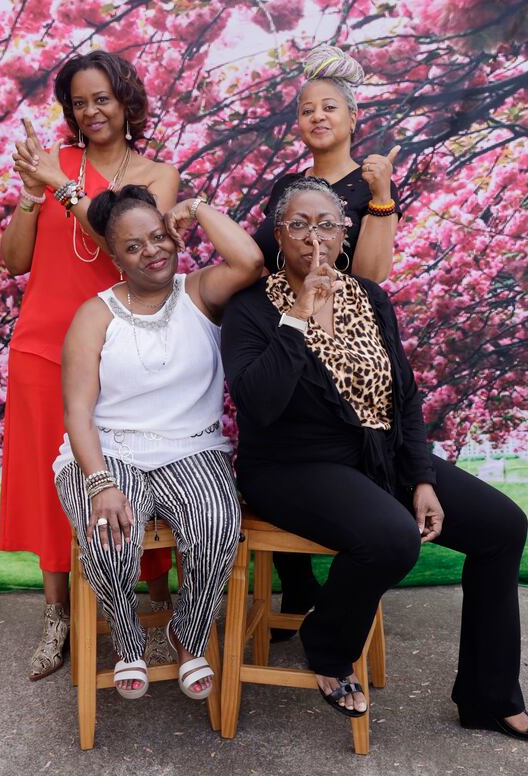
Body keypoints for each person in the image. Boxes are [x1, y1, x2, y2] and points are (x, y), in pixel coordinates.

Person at [221, 177, 528, 738]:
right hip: (291, 466)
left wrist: (422, 478)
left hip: (377, 457)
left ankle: (488, 696)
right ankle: (328, 646)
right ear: (277, 233)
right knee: (391, 538)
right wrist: (301, 315)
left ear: (345, 234)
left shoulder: (369, 297)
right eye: (300, 224)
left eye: (328, 224)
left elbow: (404, 396)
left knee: (504, 527)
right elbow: (258, 405)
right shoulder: (251, 309)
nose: (315, 236)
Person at [0, 50, 180, 681]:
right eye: (78, 101)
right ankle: (57, 617)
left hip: (122, 349)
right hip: (41, 348)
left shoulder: (158, 173)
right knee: (53, 491)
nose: (90, 111)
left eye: (101, 97)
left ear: (126, 99)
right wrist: (30, 194)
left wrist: (64, 186)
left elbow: (129, 245)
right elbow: (13, 262)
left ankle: (156, 609)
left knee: (135, 475)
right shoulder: (52, 164)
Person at [54, 184, 263, 699]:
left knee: (219, 524)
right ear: (114, 256)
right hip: (112, 450)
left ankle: (187, 636)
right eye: (133, 246)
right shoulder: (94, 315)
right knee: (108, 533)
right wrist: (100, 481)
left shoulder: (200, 293)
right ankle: (129, 641)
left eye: (158, 236)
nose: (152, 251)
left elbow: (251, 260)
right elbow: (77, 410)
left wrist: (193, 209)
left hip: (193, 448)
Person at [253, 45, 402, 637]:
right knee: (281, 435)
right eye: (308, 109)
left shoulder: (371, 183)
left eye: (330, 107)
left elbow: (370, 275)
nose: (319, 116)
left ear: (352, 117)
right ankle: (299, 587)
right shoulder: (288, 189)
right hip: (287, 323)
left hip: (350, 328)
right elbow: (262, 262)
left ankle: (347, 593)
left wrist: (383, 193)